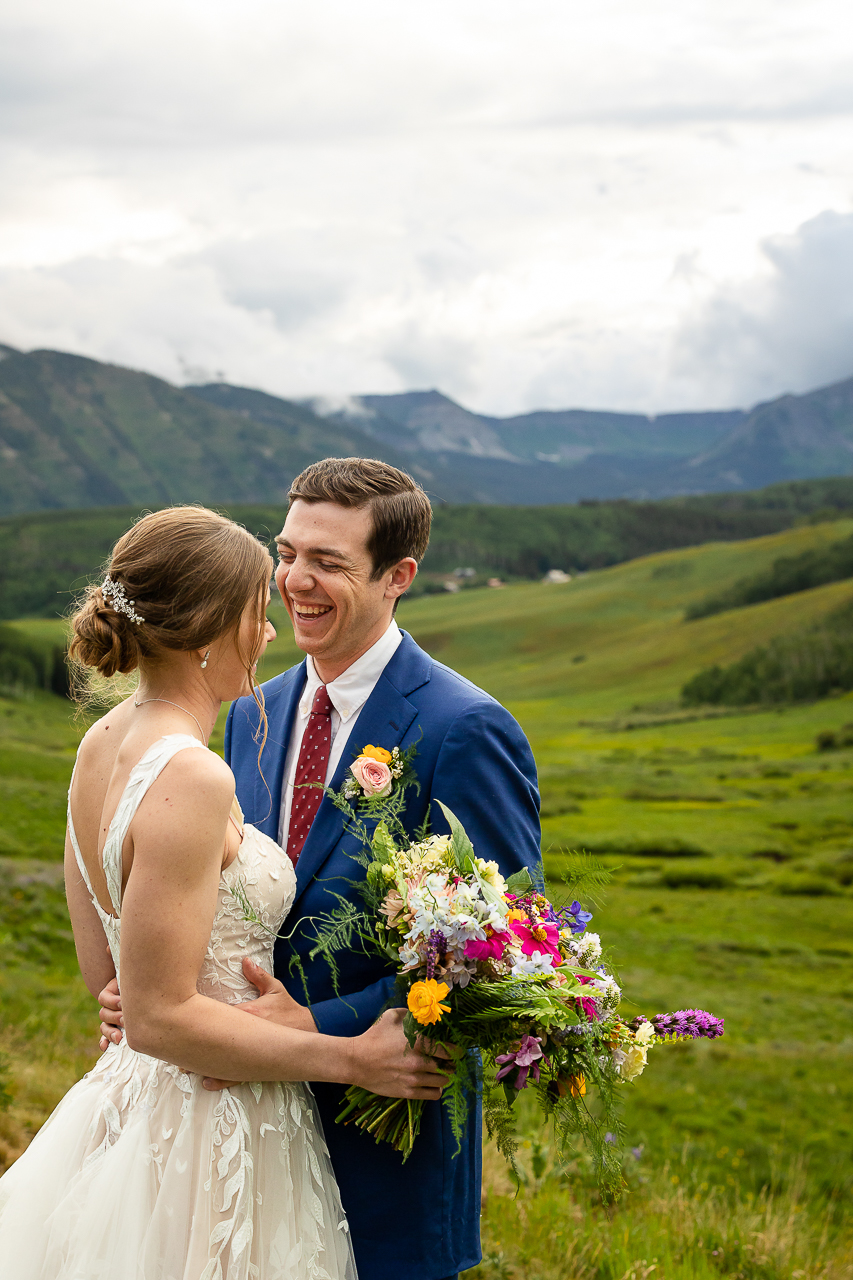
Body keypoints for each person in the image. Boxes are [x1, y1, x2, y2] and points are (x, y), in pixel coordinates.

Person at [111, 461, 541, 1280]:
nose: (294, 582)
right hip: (236, 1134)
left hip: (384, 1147)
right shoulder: (247, 711)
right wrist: (153, 979)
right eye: (287, 552)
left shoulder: (465, 728)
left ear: (398, 577)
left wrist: (313, 1025)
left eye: (329, 563)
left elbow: (505, 952)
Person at [0, 505, 447, 1280]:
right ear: (209, 629)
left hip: (132, 1111)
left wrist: (149, 1006)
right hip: (215, 1129)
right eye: (255, 614)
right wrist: (353, 1060)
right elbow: (157, 1014)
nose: (270, 633)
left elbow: (107, 982)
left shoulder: (99, 744)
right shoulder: (192, 774)